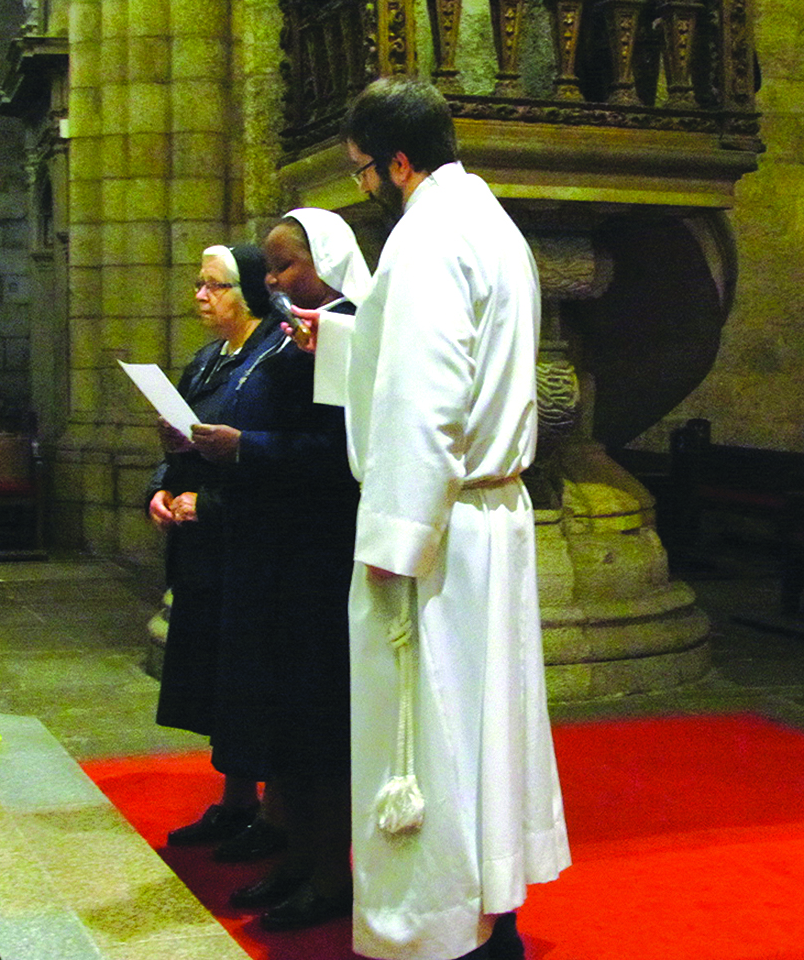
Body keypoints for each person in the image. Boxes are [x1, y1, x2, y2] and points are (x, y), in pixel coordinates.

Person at [296, 77, 571, 960]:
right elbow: (449, 353)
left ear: (399, 161)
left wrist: (393, 540)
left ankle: (426, 928)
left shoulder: (423, 239)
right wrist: (342, 339)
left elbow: (424, 395)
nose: (365, 184)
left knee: (429, 733)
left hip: (439, 528)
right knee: (488, 724)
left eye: (364, 169)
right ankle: (497, 911)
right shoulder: (491, 225)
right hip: (492, 512)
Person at [147, 236, 364, 907]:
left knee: (313, 717)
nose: (273, 281)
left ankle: (323, 866)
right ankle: (295, 852)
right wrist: (171, 474)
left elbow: (337, 451)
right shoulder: (274, 346)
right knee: (284, 711)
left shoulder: (338, 334)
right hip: (263, 548)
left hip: (311, 552)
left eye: (282, 267)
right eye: (267, 269)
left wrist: (243, 451)